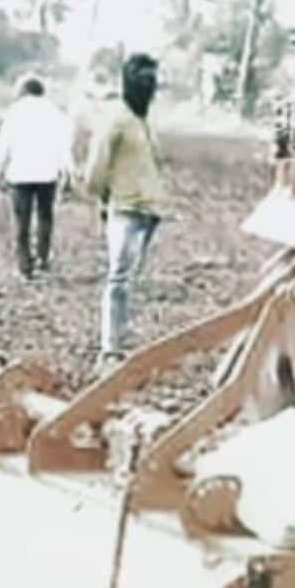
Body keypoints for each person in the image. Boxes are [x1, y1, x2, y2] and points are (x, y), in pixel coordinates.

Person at [83, 52, 168, 366]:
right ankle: (110, 347)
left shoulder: (141, 119)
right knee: (118, 279)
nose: (149, 84)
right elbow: (97, 165)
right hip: (125, 207)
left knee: (128, 277)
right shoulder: (116, 118)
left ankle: (120, 338)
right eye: (143, 78)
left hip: (148, 209)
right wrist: (98, 194)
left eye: (152, 78)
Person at [0, 73, 74, 279]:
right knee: (45, 217)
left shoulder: (14, 112)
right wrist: (68, 173)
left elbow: (3, 144)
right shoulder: (54, 112)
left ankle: (24, 266)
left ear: (23, 91)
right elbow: (63, 145)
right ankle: (43, 259)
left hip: (20, 175)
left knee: (21, 221)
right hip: (47, 173)